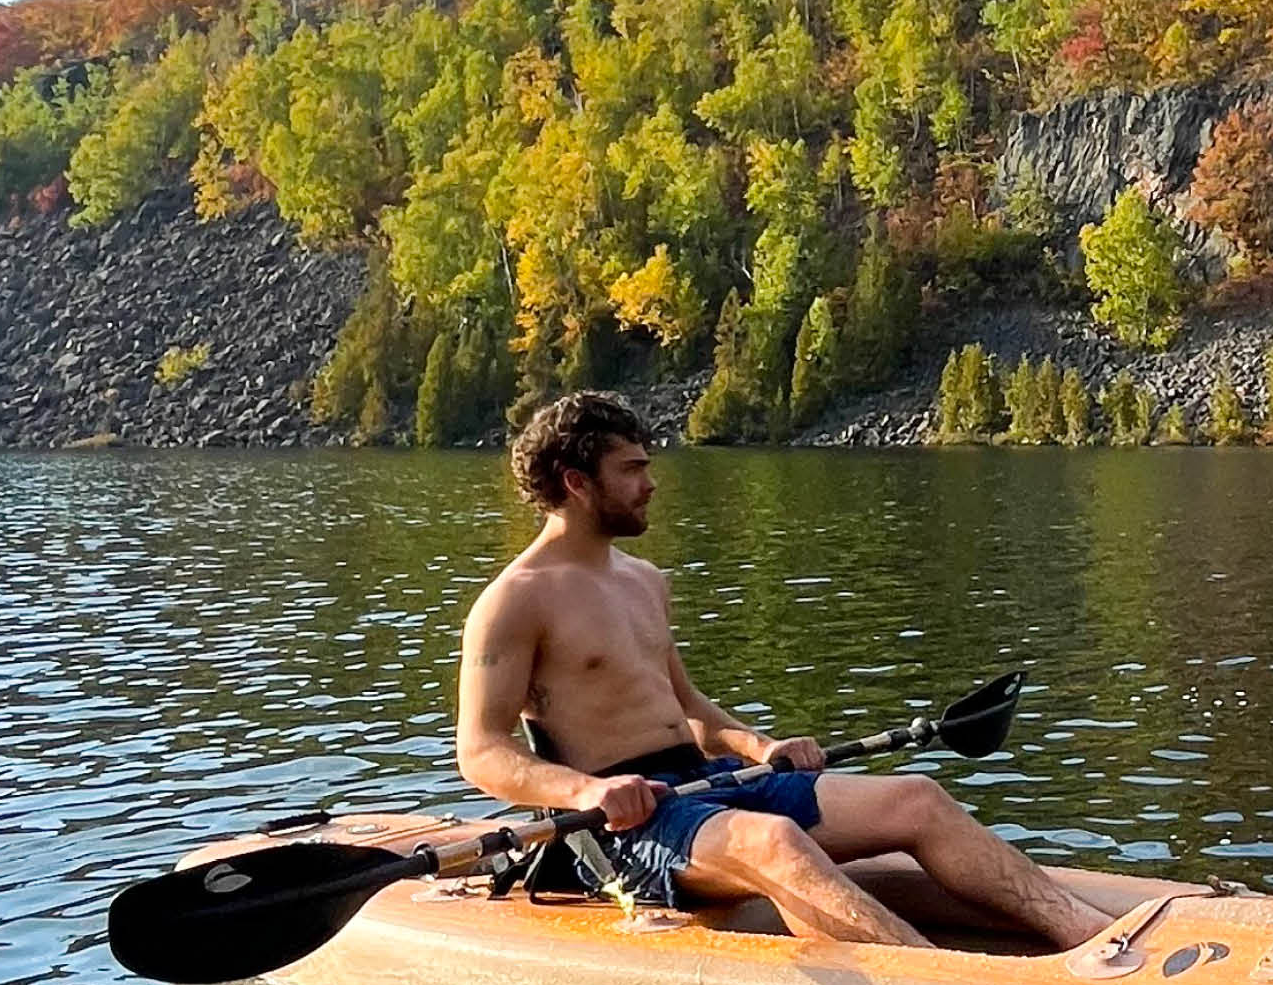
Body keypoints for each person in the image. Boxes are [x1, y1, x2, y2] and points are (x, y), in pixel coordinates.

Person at [453, 391, 1103, 951]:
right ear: (576, 482)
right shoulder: (515, 600)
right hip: (622, 825)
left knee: (918, 799)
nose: (650, 484)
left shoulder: (644, 581)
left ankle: (1090, 935)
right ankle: (945, 982)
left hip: (709, 784)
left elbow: (690, 710)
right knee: (776, 843)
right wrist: (585, 793)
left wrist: (758, 746)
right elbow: (481, 751)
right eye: (632, 470)